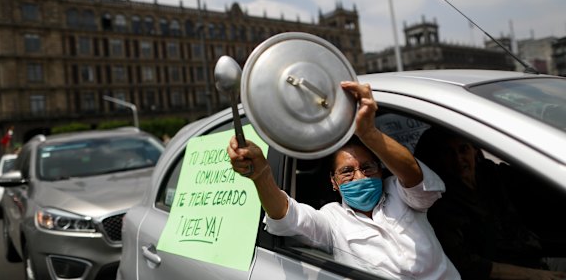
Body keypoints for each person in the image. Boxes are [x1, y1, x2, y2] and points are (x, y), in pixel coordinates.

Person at [227, 81, 460, 279]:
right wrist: (262, 176)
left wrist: (370, 134)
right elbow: (288, 216)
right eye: (347, 172)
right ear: (334, 182)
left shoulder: (401, 193)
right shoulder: (332, 220)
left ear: (380, 170)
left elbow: (416, 180)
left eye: (367, 167)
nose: (360, 177)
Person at [415, 126, 566, 280]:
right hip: (512, 273)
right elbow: (468, 265)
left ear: (475, 150)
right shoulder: (441, 204)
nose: (458, 159)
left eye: (463, 149)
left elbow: (532, 181)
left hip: (534, 257)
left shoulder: (490, 174)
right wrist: (536, 275)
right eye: (449, 153)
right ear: (439, 158)